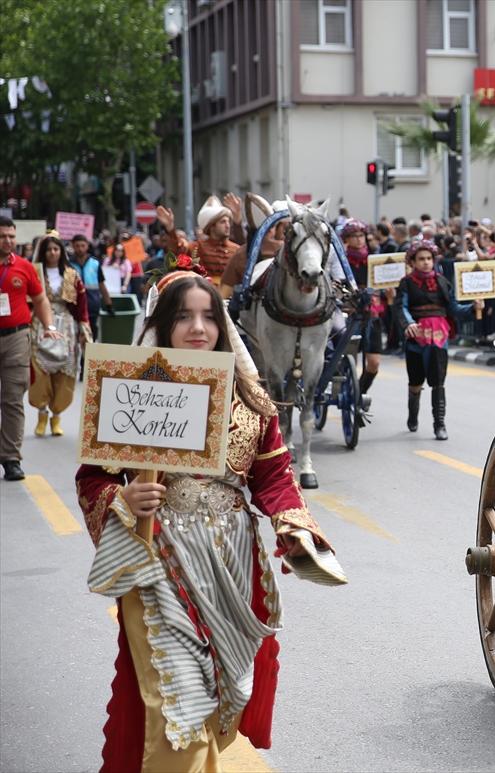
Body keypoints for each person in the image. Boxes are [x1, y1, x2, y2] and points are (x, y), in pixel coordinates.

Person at [78, 267, 344, 771]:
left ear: (223, 325)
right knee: (177, 707)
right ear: (162, 326)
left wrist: (294, 527)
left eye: (209, 316)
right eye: (183, 317)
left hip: (232, 565)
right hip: (157, 562)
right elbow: (93, 477)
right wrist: (124, 497)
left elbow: (274, 478)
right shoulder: (128, 389)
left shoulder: (251, 402)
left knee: (225, 699)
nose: (198, 328)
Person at [0, 217, 64, 481]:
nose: (8, 241)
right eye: (3, 236)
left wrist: (48, 324)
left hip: (17, 337)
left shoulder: (25, 268)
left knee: (13, 399)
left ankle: (11, 458)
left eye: (11, 236)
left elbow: (40, 300)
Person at [397, 240, 481, 440]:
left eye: (428, 259)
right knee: (416, 382)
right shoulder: (406, 282)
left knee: (438, 381)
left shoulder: (443, 281)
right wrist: (409, 324)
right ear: (413, 262)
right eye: (421, 259)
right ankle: (413, 414)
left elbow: (454, 308)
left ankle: (439, 425)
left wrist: (472, 307)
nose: (426, 262)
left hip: (439, 336)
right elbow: (401, 307)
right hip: (416, 336)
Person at [29, 233, 89, 437]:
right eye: (48, 249)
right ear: (43, 252)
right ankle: (41, 414)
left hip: (66, 327)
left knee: (66, 369)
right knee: (39, 369)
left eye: (56, 249)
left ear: (61, 251)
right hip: (39, 324)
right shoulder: (35, 273)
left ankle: (56, 417)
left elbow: (82, 306)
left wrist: (84, 328)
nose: (52, 253)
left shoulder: (72, 275)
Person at [339, 219, 384, 408]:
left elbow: (383, 286)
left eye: (361, 235)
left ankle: (359, 393)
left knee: (373, 363)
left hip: (371, 314)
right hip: (347, 314)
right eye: (354, 236)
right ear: (347, 239)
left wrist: (388, 292)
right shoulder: (340, 260)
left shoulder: (375, 259)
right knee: (346, 360)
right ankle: (345, 391)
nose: (359, 240)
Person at [158, 193, 246, 279]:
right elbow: (176, 250)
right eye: (223, 222)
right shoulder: (196, 247)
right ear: (212, 227)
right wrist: (170, 229)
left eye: (228, 222)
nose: (227, 225)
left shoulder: (235, 249)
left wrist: (238, 221)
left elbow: (247, 251)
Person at [69, 234, 111, 342]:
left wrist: (108, 304)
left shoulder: (95, 263)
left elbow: (101, 284)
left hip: (92, 304)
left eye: (83, 245)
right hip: (75, 305)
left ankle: (87, 357)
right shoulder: (68, 264)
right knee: (76, 334)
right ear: (73, 246)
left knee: (92, 333)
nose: (80, 248)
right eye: (77, 246)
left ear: (87, 246)